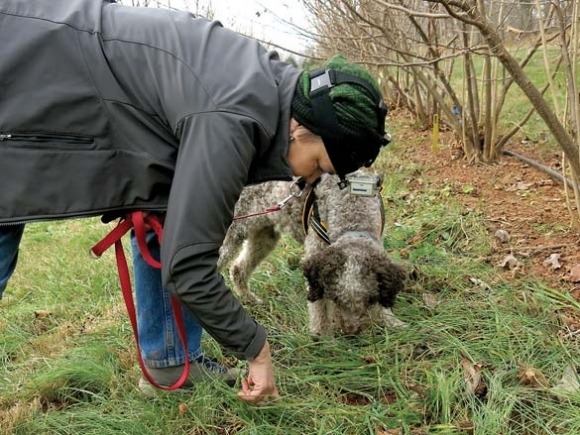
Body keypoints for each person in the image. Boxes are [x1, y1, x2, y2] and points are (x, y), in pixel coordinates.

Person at [0, 0, 389, 404]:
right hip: (22, 67)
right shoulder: (232, 116)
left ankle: (170, 362)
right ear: (302, 129)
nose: (316, 178)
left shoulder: (267, 85)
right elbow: (188, 266)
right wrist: (256, 348)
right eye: (322, 164)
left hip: (44, 52)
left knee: (167, 211)